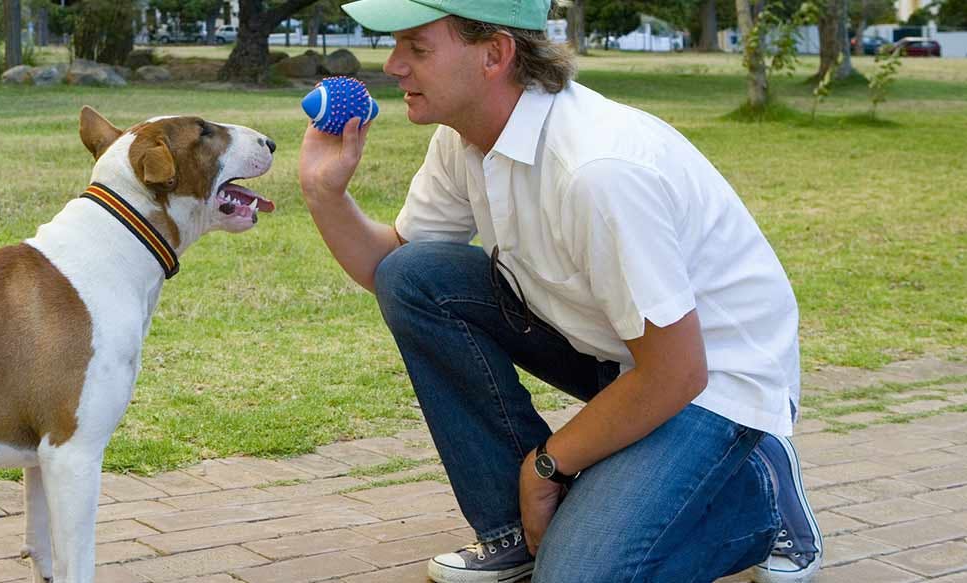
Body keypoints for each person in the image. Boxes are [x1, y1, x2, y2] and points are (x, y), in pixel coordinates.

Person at [295, 0, 822, 581]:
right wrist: (325, 194)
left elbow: (677, 372)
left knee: (577, 575)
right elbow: (391, 269)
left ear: (495, 54)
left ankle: (761, 497)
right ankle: (515, 533)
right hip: (616, 349)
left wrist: (545, 467)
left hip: (712, 379)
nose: (394, 65)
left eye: (417, 48)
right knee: (414, 276)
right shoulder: (464, 136)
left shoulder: (599, 169)